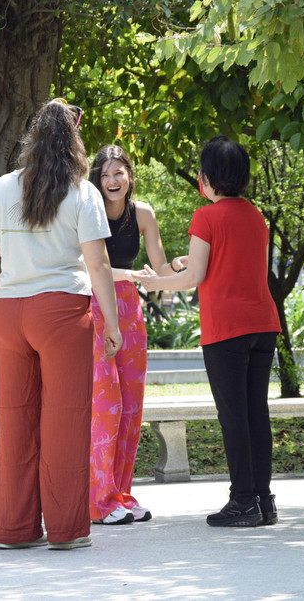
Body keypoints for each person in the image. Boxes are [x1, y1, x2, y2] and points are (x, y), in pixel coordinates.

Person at [0, 98, 122, 551]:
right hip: (61, 313)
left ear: (33, 136)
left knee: (15, 420)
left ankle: (13, 530)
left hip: (10, 312)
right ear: (73, 139)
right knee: (65, 420)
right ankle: (65, 530)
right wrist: (112, 324)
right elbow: (98, 265)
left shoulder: (1, 188)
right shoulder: (82, 193)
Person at [140, 135, 281, 528]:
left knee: (233, 416)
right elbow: (235, 265)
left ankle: (242, 501)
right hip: (263, 324)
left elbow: (193, 278)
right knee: (256, 414)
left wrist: (156, 283)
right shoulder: (256, 216)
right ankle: (264, 500)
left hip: (227, 330)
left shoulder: (206, 216)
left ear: (206, 178)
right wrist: (193, 263)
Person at [87, 145, 188, 525]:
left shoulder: (143, 213)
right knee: (106, 406)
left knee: (130, 408)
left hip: (129, 309)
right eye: (105, 174)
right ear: (96, 179)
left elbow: (158, 268)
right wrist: (129, 275)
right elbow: (89, 267)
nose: (112, 180)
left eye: (119, 173)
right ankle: (98, 500)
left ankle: (121, 495)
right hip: (95, 306)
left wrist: (178, 265)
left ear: (130, 175)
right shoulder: (87, 210)